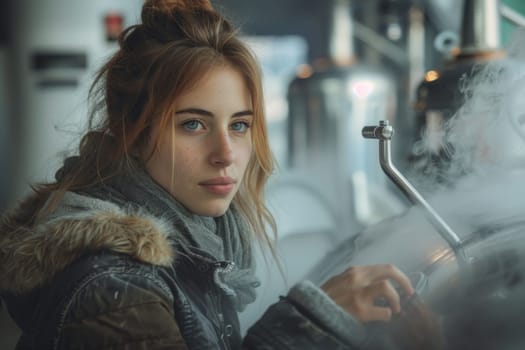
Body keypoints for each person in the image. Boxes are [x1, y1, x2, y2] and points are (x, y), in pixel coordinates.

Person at [0, 0, 414, 349]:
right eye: (193, 125)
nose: (225, 155)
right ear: (134, 135)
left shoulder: (200, 246)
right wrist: (313, 319)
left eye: (239, 125)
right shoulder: (115, 290)